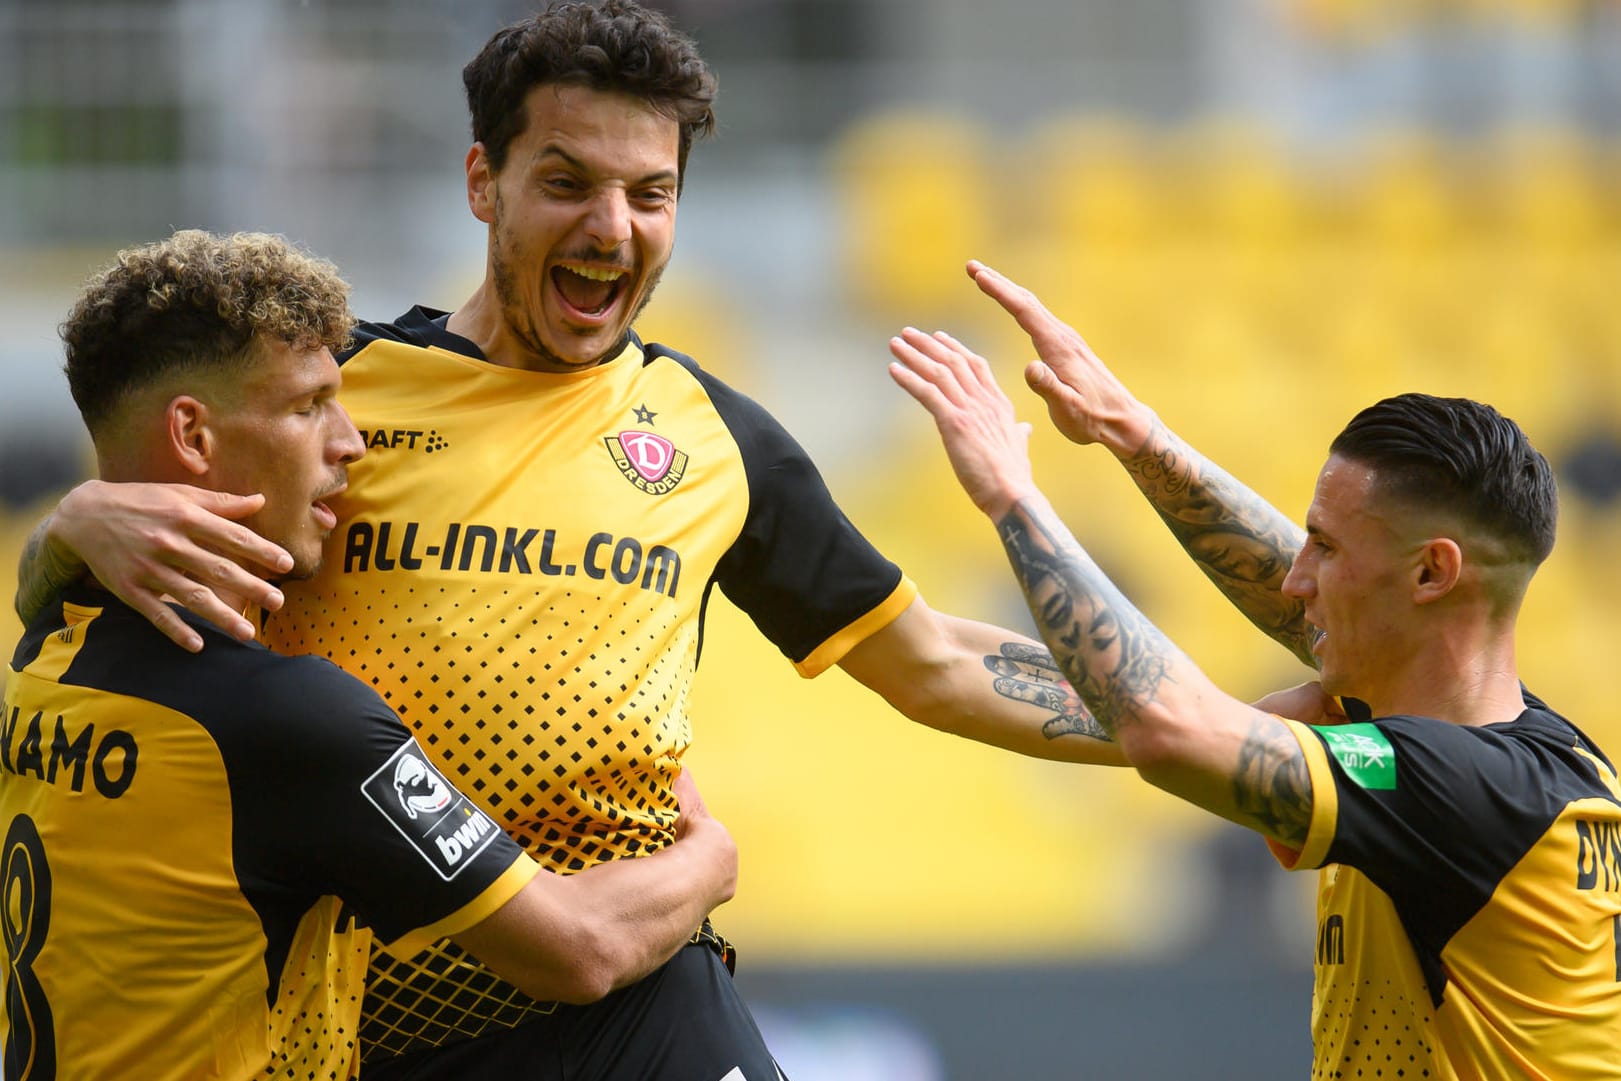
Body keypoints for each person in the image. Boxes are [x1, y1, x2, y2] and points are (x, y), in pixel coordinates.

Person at [12, 4, 1124, 1078]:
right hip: (373, 1023)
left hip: (643, 998)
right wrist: (67, 526)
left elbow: (932, 661)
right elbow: (103, 599)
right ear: (481, 182)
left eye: (651, 194)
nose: (611, 228)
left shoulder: (716, 438)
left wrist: (1197, 729)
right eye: (566, 183)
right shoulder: (326, 391)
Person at [0, 228, 738, 1080]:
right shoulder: (288, 721)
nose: (352, 442)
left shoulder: (44, 639)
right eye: (309, 405)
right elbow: (581, 946)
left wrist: (71, 519)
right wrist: (710, 859)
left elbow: (43, 573)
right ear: (193, 436)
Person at [887, 259, 1621, 1078]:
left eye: (1328, 547)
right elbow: (1309, 611)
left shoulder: (1453, 789)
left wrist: (1011, 495)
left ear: (1431, 573)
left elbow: (1167, 727)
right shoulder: (1517, 755)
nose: (1296, 577)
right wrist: (1135, 434)